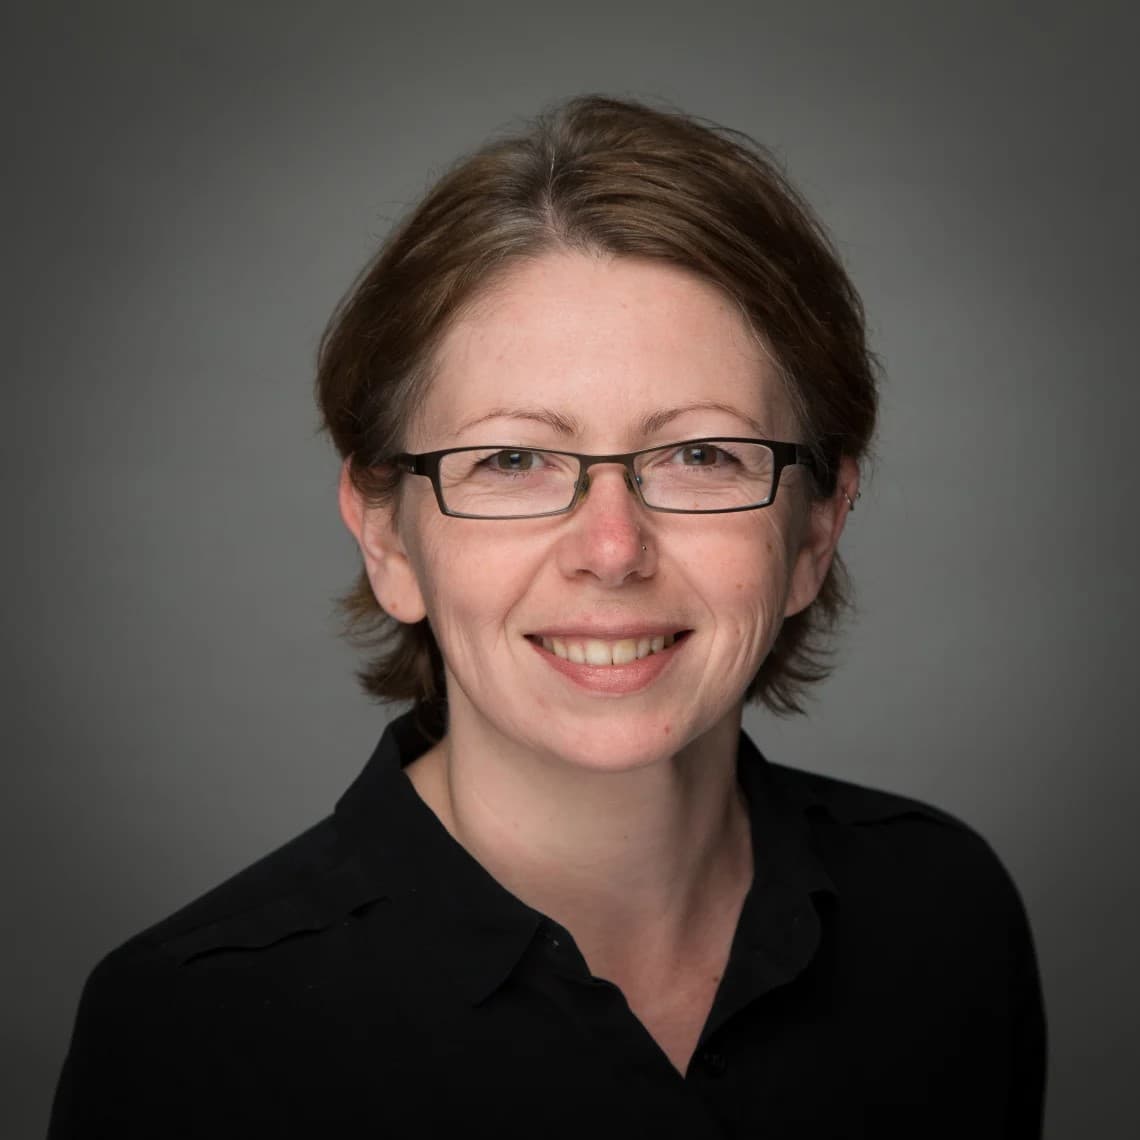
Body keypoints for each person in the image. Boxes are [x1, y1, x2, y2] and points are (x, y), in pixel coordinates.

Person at [49, 95, 1046, 1138]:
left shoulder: (945, 916)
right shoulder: (189, 1037)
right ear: (389, 538)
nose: (612, 551)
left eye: (701, 454)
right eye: (513, 459)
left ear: (815, 530)